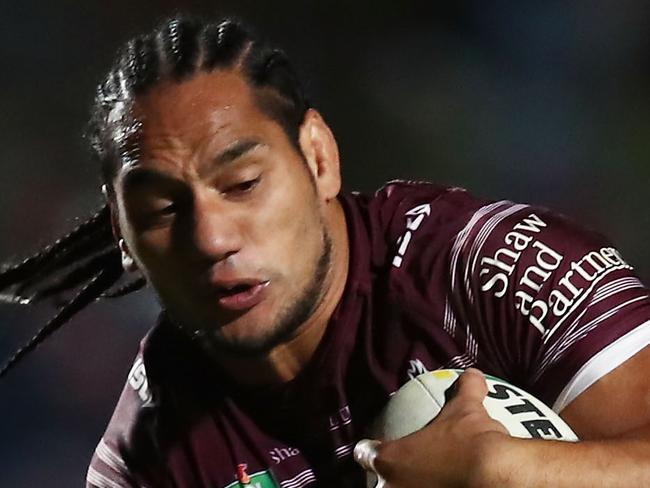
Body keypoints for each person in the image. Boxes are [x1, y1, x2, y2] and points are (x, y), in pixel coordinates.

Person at [1, 15, 650, 488]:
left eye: (243, 184)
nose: (212, 239)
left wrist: (517, 471)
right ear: (124, 236)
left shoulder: (485, 265)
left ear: (318, 158)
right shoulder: (146, 458)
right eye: (162, 211)